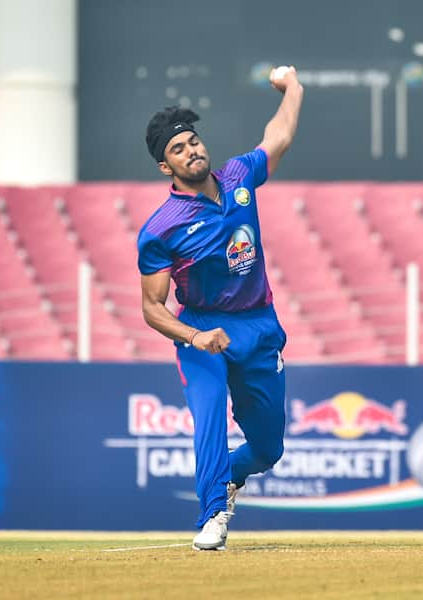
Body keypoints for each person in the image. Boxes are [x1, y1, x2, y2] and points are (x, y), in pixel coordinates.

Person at [137, 66, 304, 550]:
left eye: (192, 141)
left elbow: (280, 135)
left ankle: (230, 478)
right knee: (207, 417)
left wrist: (293, 88)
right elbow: (152, 307)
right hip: (202, 330)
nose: (191, 150)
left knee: (269, 448)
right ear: (165, 167)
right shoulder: (161, 228)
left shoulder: (238, 176)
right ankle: (212, 514)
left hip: (259, 325)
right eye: (177, 149)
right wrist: (193, 337)